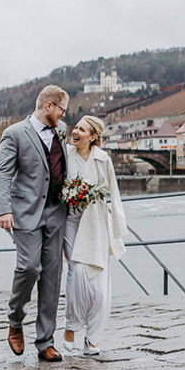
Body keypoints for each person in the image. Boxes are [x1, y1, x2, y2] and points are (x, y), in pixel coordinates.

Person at [0, 85, 69, 362]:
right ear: (49, 106)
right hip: (25, 212)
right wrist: (3, 210)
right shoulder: (14, 133)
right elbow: (1, 174)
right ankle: (15, 320)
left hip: (57, 212)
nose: (63, 115)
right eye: (61, 109)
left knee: (52, 276)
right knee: (28, 266)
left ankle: (46, 341)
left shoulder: (61, 132)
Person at [63, 115, 128, 355]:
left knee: (100, 284)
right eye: (76, 127)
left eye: (82, 129)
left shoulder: (103, 160)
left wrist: (118, 226)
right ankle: (71, 325)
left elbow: (114, 193)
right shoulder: (65, 155)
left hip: (96, 222)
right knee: (77, 270)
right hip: (71, 220)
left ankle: (93, 336)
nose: (76, 131)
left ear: (92, 137)